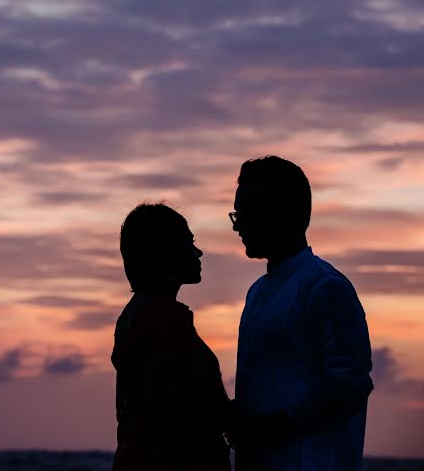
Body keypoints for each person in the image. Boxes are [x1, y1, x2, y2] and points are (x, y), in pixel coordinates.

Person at [229, 156, 374, 470]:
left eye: (250, 212)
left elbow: (350, 385)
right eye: (237, 214)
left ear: (288, 212)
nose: (239, 224)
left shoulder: (325, 287)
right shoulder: (258, 292)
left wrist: (273, 427)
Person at [111, 203, 231, 471]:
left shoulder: (135, 315)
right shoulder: (163, 319)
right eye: (189, 243)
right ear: (166, 253)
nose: (198, 252)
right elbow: (181, 407)